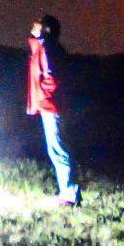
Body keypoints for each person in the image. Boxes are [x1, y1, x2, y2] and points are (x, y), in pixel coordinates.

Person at [27, 14, 79, 206]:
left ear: (45, 29)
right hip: (50, 104)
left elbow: (51, 77)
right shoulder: (44, 47)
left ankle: (70, 194)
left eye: (37, 22)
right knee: (56, 148)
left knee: (58, 148)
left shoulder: (47, 48)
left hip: (52, 105)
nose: (33, 24)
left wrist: (44, 97)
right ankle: (67, 192)